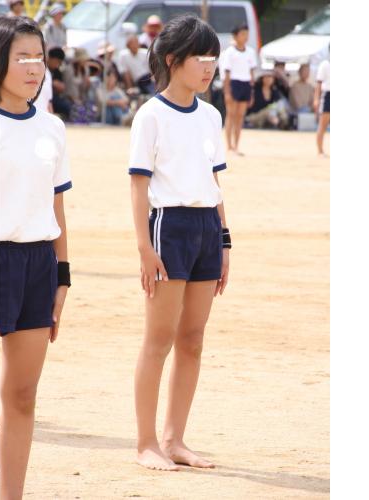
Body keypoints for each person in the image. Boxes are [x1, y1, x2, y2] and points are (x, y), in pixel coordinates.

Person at [129, 14, 230, 471]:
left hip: (207, 227)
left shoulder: (211, 115)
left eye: (213, 58)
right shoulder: (150, 116)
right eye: (200, 58)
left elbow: (215, 182)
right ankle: (145, 443)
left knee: (193, 340)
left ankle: (175, 439)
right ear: (172, 60)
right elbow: (138, 186)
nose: (209, 67)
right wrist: (144, 248)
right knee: (159, 339)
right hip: (168, 227)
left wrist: (224, 241)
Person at [0, 16, 72, 499]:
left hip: (38, 264)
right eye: (21, 57)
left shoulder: (52, 127)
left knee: (22, 396)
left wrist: (63, 275)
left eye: (39, 57)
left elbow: (57, 205)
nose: (33, 67)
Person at [221, 24, 257, 155]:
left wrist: (251, 91)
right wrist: (227, 91)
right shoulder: (230, 52)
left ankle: (236, 145)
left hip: (245, 84)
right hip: (234, 83)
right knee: (231, 114)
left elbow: (252, 73)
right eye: (242, 34)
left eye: (246, 34)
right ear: (235, 36)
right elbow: (226, 72)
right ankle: (229, 146)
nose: (245, 37)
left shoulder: (251, 52)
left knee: (240, 116)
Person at [47, 47, 71, 119]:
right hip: (44, 96)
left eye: (60, 63)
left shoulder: (57, 71)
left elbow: (61, 87)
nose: (58, 65)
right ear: (51, 58)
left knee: (66, 106)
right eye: (57, 62)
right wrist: (53, 83)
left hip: (54, 96)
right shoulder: (43, 68)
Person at [314, 55, 330, 156]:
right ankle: (320, 150)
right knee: (323, 124)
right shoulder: (325, 64)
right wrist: (316, 98)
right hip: (328, 94)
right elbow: (319, 83)